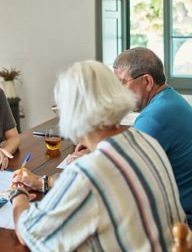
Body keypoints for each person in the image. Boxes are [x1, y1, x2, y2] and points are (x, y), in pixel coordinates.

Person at [9, 61, 185, 251]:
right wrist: (44, 183)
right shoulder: (146, 141)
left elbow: (30, 233)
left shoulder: (87, 173)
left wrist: (18, 195)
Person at [113, 47, 192, 226]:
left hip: (180, 225)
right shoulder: (169, 99)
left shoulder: (154, 117)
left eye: (122, 82)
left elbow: (118, 179)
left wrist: (47, 182)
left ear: (147, 81)